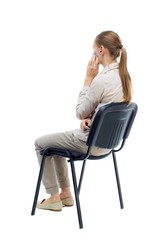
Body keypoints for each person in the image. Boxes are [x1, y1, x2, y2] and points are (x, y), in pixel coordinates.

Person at [35, 30, 132, 211]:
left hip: (90, 144)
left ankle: (54, 197)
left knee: (41, 144)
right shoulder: (124, 75)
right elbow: (111, 109)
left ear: (101, 50)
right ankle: (65, 194)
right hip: (109, 143)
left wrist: (88, 78)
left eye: (93, 49)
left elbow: (80, 112)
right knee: (55, 145)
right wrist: (93, 119)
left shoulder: (101, 80)